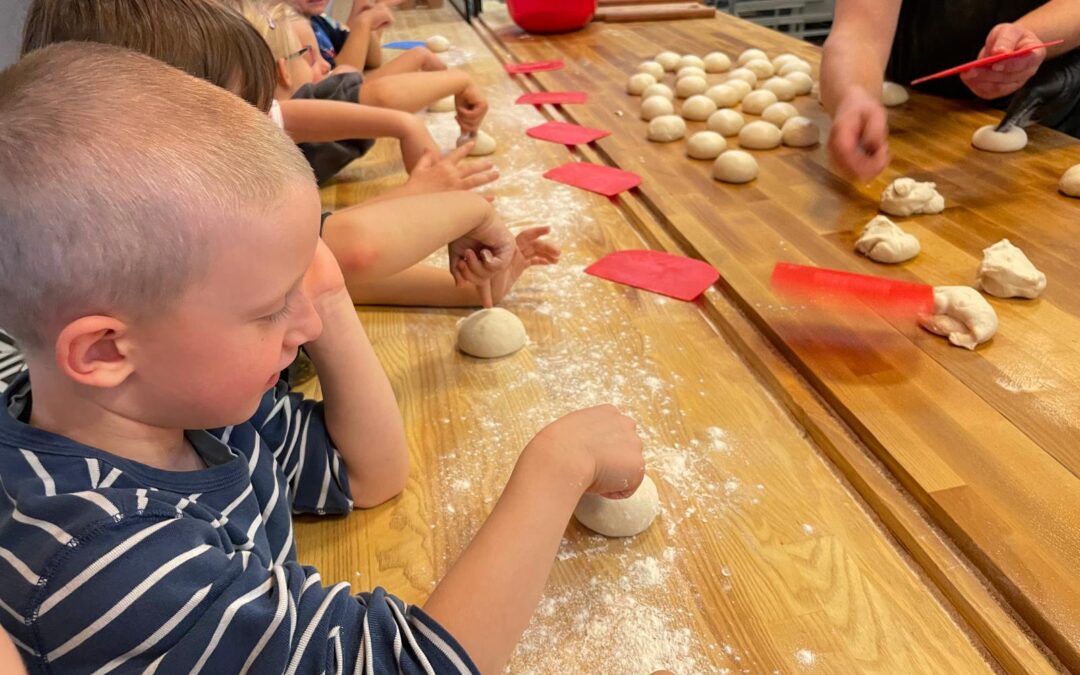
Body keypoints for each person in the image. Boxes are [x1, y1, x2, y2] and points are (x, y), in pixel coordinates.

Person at [0, 43, 645, 673]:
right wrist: (557, 466)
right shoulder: (104, 559)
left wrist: (326, 289)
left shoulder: (182, 408)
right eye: (270, 308)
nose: (305, 324)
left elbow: (365, 474)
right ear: (107, 350)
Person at [822, 0, 1080, 180]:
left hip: (1042, 119)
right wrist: (853, 94)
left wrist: (1024, 37)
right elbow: (859, 32)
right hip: (910, 118)